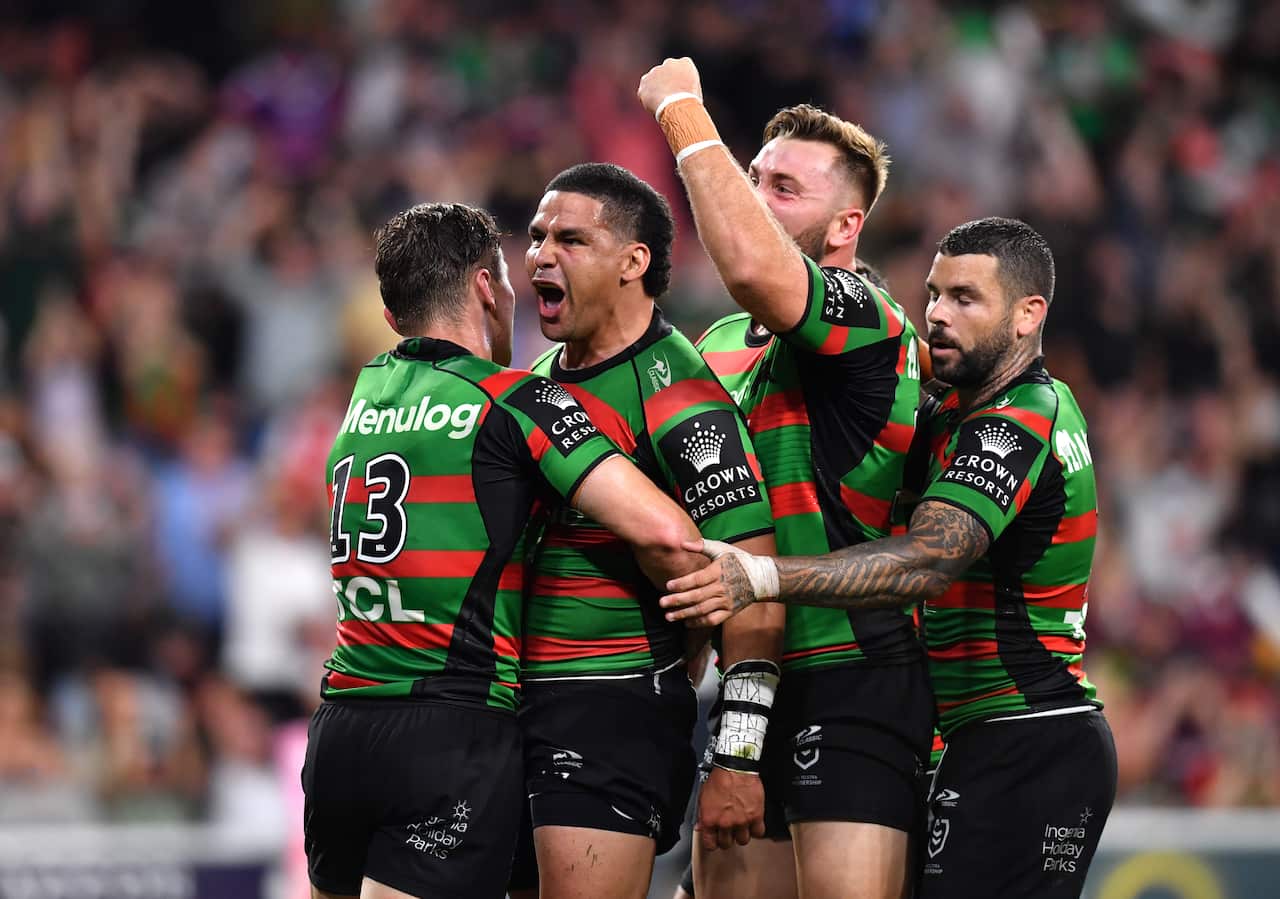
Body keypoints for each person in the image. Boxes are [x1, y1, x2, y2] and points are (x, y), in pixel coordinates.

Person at [661, 217, 1117, 899]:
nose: (936, 313)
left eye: (965, 298)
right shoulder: (953, 422)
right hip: (976, 737)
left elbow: (926, 561)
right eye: (932, 294)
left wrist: (759, 575)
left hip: (1029, 740)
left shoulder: (1019, 420)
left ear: (1029, 315)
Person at [300, 202, 706, 899]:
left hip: (339, 729)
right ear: (488, 287)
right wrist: (693, 639)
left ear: (394, 316)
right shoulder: (514, 399)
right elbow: (670, 533)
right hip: (448, 729)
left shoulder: (363, 394)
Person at [639, 60, 932, 899]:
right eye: (752, 177)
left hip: (854, 674)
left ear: (846, 226)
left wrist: (685, 114)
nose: (757, 197)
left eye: (785, 189)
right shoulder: (724, 339)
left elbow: (758, 270)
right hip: (744, 682)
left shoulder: (869, 320)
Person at [508, 163, 778, 899]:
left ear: (634, 262)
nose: (540, 256)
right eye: (536, 238)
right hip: (514, 706)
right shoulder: (537, 381)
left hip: (608, 705)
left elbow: (753, 588)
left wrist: (736, 759)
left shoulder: (682, 395)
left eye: (571, 238)